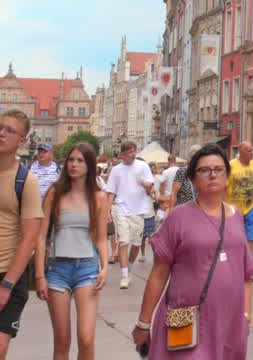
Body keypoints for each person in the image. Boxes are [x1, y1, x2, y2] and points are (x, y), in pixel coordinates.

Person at [130, 144, 253, 359]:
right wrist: (143, 323)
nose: (212, 174)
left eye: (218, 169)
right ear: (193, 178)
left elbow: (246, 274)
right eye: (204, 170)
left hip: (229, 321)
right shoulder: (179, 217)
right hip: (185, 316)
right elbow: (159, 273)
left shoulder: (236, 217)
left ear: (227, 175)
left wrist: (245, 315)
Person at [35, 142, 109, 360]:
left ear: (90, 166)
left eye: (80, 160)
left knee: (86, 339)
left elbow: (102, 238)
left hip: (87, 268)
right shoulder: (55, 193)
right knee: (62, 342)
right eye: (71, 160)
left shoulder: (99, 197)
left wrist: (104, 267)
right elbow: (41, 237)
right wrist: (39, 275)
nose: (74, 165)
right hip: (58, 269)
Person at [0, 110, 42, 357]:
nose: (1, 133)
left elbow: (29, 239)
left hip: (8, 274)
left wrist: (6, 285)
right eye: (0, 127)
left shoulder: (25, 181)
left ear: (22, 141)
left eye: (9, 130)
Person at [104, 141, 155, 289]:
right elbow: (110, 192)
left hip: (139, 210)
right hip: (121, 209)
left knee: (137, 244)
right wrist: (107, 211)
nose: (133, 154)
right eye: (130, 152)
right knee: (124, 241)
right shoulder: (116, 170)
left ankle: (130, 267)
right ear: (122, 154)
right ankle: (125, 275)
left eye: (134, 151)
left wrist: (144, 183)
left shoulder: (143, 166)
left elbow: (150, 186)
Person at [227, 143, 253, 254]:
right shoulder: (231, 165)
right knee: (234, 234)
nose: (252, 153)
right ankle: (235, 255)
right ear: (241, 152)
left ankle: (248, 257)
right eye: (248, 151)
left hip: (250, 205)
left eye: (252, 150)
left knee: (251, 235)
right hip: (233, 207)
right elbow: (223, 186)